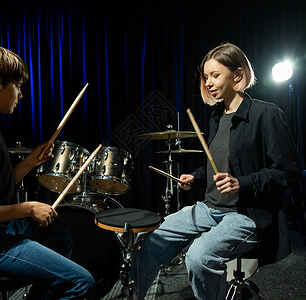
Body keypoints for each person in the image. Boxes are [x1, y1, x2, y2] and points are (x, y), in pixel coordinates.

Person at [129, 43, 301, 299]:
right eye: (206, 77)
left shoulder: (267, 114)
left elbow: (288, 172)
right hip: (209, 208)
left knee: (198, 258)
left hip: (246, 215)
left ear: (238, 75)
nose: (208, 82)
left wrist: (241, 183)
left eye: (215, 75)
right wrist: (197, 176)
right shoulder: (217, 116)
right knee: (152, 239)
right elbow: (220, 165)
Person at [0, 41, 95, 300]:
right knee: (82, 283)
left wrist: (29, 163)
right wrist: (27, 208)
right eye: (17, 86)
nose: (21, 94)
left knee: (61, 239)